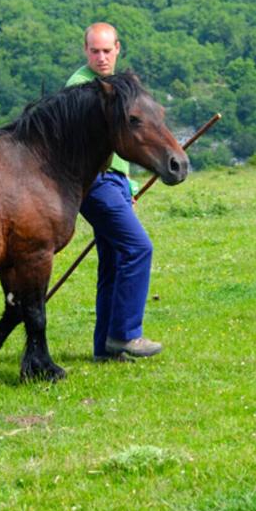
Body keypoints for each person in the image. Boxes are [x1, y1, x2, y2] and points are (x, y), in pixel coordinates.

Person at [65, 22, 162, 362]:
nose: (102, 57)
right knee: (138, 247)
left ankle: (104, 349)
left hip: (117, 182)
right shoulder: (81, 88)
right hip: (95, 182)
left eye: (107, 51)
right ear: (85, 51)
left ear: (118, 49)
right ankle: (125, 335)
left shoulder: (119, 87)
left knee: (114, 260)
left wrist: (130, 185)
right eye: (95, 51)